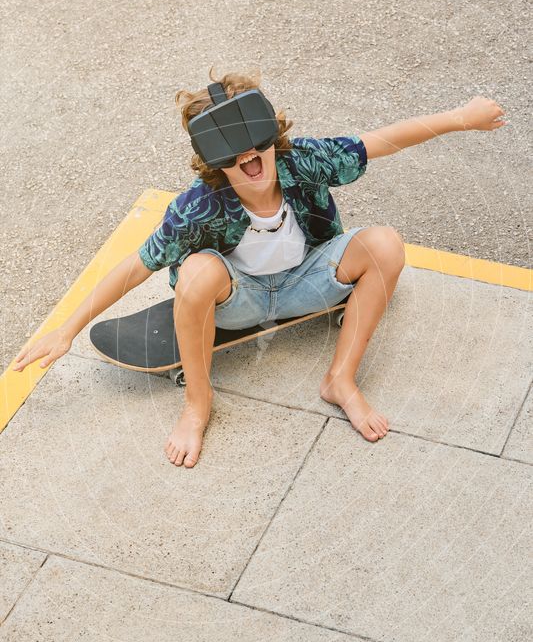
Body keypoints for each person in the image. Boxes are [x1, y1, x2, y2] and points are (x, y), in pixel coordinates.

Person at [13, 67, 507, 469]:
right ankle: (198, 404)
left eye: (256, 141)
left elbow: (378, 141)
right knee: (196, 273)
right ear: (213, 161)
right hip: (239, 299)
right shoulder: (197, 207)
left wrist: (461, 117)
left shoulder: (303, 161)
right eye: (232, 152)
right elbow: (138, 265)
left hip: (312, 278)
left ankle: (341, 379)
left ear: (272, 133)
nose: (249, 156)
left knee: (385, 244)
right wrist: (68, 328)